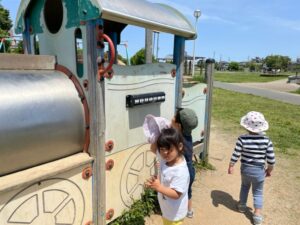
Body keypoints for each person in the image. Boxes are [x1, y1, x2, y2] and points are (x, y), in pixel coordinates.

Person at [228, 111, 275, 225]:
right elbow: (271, 159)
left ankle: (242, 206)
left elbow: (236, 153)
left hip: (245, 169)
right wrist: (269, 170)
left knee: (244, 187)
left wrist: (231, 165)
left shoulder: (242, 139)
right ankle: (257, 215)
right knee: (258, 192)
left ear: (246, 126)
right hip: (259, 171)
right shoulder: (266, 140)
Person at [145, 127, 190, 225]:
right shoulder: (166, 159)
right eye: (162, 149)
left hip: (175, 215)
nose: (165, 153)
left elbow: (176, 194)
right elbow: (153, 148)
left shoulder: (180, 171)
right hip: (167, 210)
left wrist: (159, 187)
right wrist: (155, 183)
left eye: (169, 149)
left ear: (180, 146)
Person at [171, 108, 198, 218]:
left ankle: (177, 211)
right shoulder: (188, 135)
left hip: (182, 171)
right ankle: (189, 211)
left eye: (174, 117)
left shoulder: (178, 139)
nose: (172, 118)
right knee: (188, 191)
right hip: (190, 169)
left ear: (179, 126)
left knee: (177, 192)